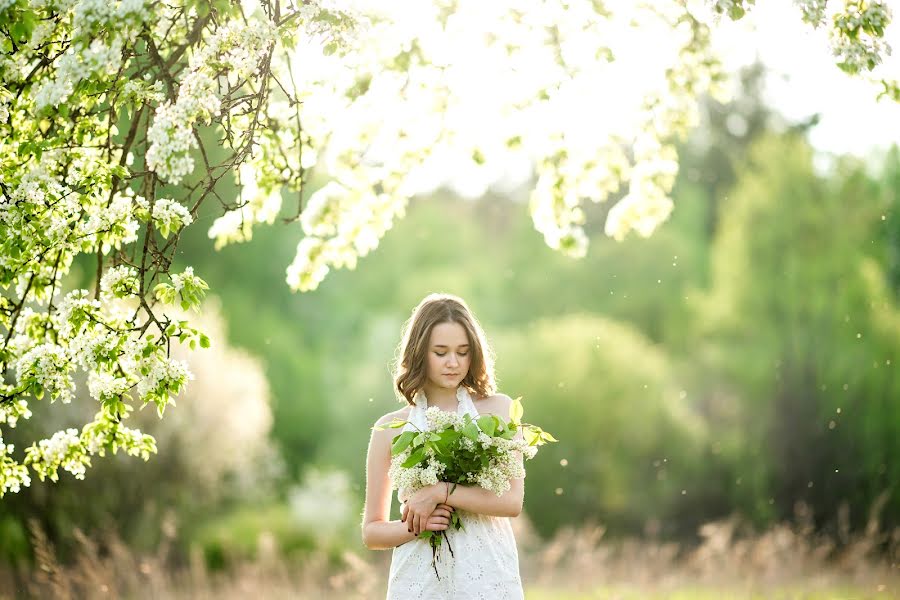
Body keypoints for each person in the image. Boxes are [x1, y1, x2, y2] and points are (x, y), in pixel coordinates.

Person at [362, 293, 526, 599]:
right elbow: (372, 533)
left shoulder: (498, 411)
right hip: (418, 577)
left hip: (487, 574)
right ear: (420, 353)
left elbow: (512, 503)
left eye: (463, 352)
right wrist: (416, 526)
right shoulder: (389, 428)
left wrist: (441, 492)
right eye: (441, 352)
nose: (453, 363)